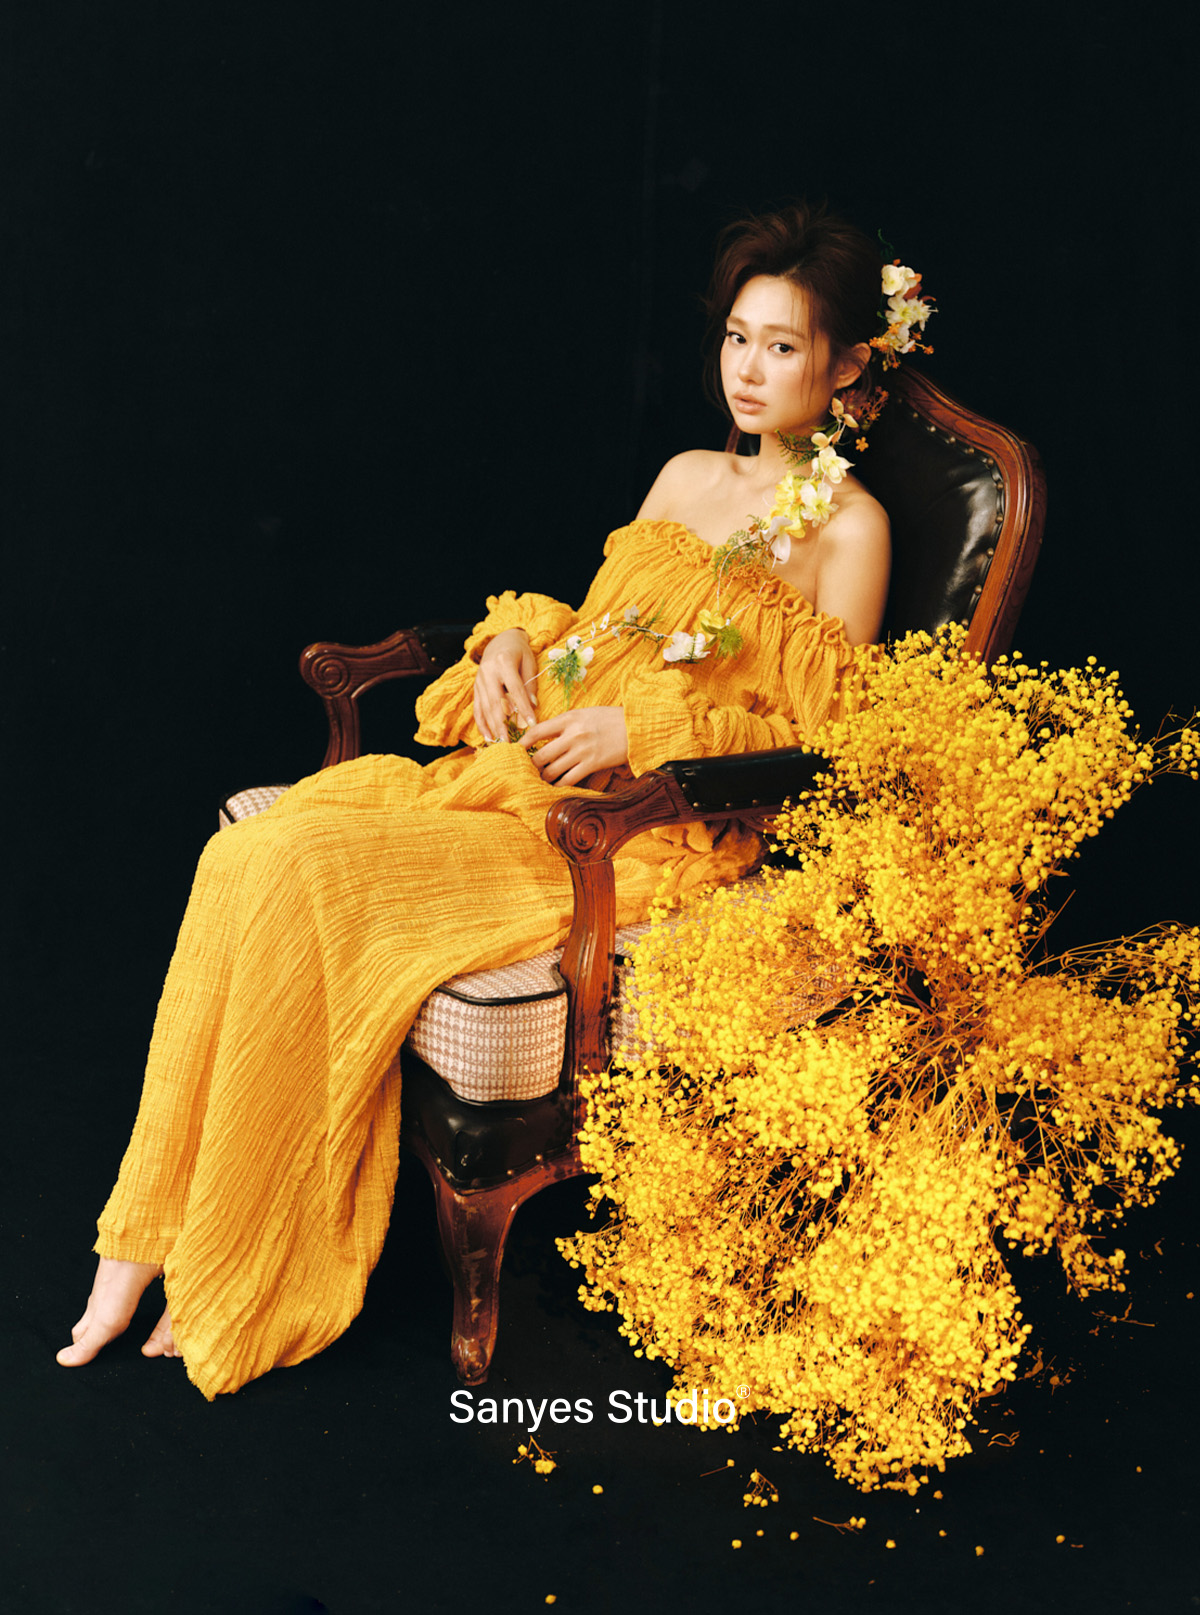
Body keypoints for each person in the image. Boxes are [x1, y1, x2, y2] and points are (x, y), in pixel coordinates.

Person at [57, 202, 892, 1398]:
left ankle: (222, 1254)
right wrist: (511, 649)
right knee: (250, 854)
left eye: (784, 346)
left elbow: (824, 743)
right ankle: (143, 1238)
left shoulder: (847, 530)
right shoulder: (685, 475)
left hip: (636, 834)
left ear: (848, 365)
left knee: (297, 867)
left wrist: (641, 732)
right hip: (525, 779)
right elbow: (599, 632)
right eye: (736, 338)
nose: (748, 370)